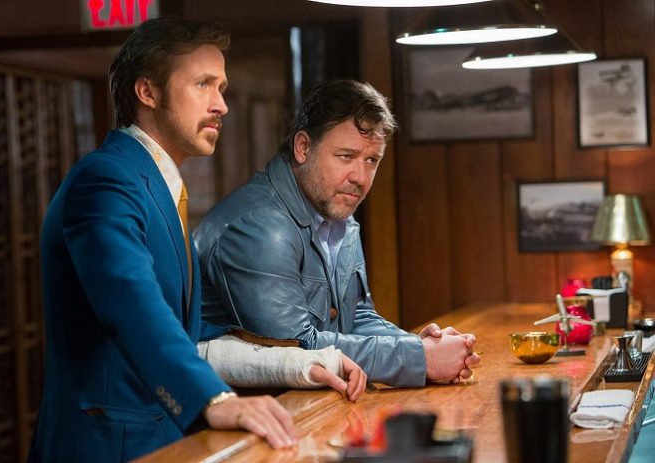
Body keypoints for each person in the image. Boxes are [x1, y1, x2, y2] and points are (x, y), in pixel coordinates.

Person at [28, 19, 366, 463]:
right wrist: (214, 399)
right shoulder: (105, 178)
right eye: (203, 84)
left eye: (221, 88)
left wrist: (305, 364)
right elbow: (131, 305)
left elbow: (194, 339)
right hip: (107, 447)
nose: (221, 104)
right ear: (147, 92)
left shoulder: (158, 186)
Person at [195, 79, 480, 387]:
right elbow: (294, 349)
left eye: (371, 160)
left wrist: (418, 347)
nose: (360, 178)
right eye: (346, 156)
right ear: (303, 148)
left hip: (313, 404)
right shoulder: (260, 226)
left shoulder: (337, 212)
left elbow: (356, 318)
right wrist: (418, 357)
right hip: (245, 411)